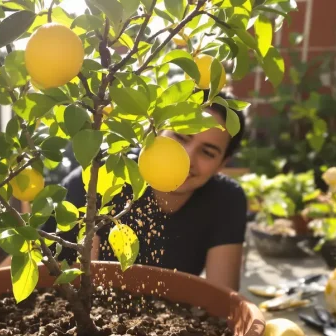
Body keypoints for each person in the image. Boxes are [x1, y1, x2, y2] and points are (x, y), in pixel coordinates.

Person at [41, 91, 248, 291]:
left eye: (207, 152)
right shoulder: (101, 178)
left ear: (222, 164)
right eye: (181, 138)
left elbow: (221, 301)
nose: (186, 159)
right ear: (154, 131)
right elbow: (74, 286)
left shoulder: (226, 201)